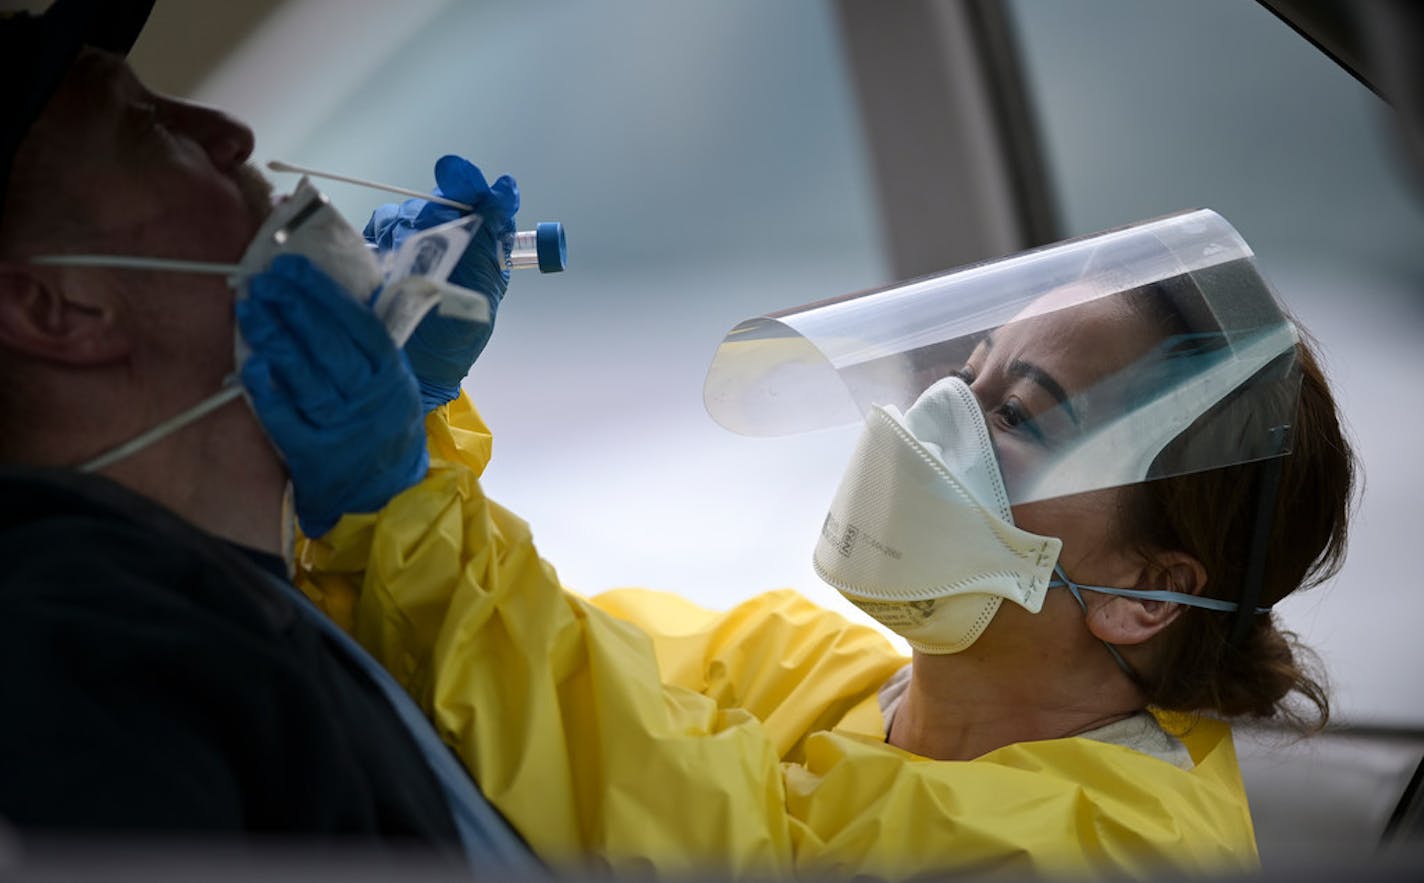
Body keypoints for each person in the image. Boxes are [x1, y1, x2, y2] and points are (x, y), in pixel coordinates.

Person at [292, 199, 1356, 878]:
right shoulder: (824, 674)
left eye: (1018, 414)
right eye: (970, 371)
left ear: (1145, 593)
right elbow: (546, 666)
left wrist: (397, 490)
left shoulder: (1122, 847)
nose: (934, 412)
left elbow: (735, 838)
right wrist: (413, 416)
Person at [0, 0, 535, 870]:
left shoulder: (233, 594)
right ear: (59, 308)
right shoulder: (82, 661)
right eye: (148, 129)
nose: (229, 133)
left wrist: (395, 513)